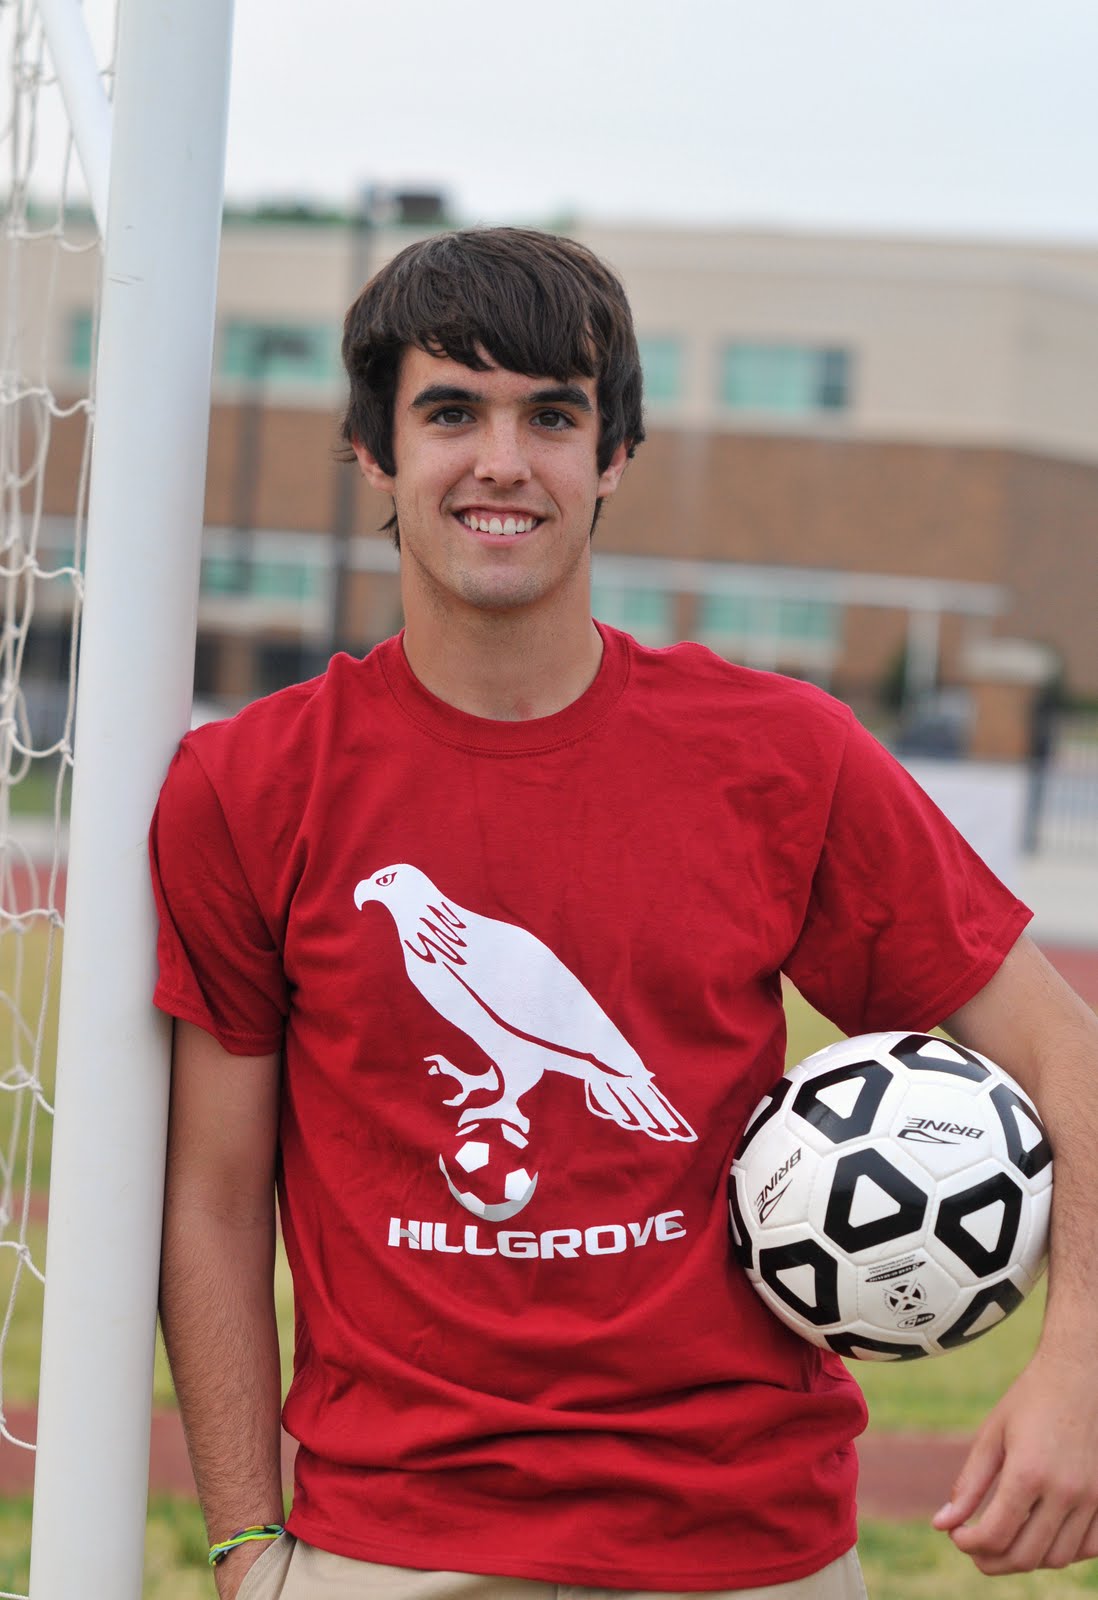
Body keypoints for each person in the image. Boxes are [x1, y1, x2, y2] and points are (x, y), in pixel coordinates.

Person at [152, 227, 1098, 1600]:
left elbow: (1063, 1049)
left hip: (743, 1547)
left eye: (550, 415)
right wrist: (244, 1544)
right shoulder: (248, 788)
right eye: (448, 412)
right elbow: (216, 1197)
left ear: (610, 459)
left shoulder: (780, 755)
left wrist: (1076, 1372)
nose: (500, 461)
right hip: (388, 1550)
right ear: (374, 452)